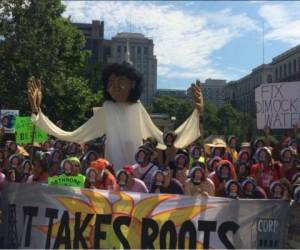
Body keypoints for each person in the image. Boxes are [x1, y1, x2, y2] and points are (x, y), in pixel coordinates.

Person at [27, 63, 203, 171]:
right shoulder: (107, 108)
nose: (115, 87)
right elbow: (73, 135)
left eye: (121, 82)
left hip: (136, 173)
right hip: (111, 172)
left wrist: (196, 115)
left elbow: (163, 138)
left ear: (133, 84)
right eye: (111, 83)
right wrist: (37, 113)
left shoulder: (137, 107)